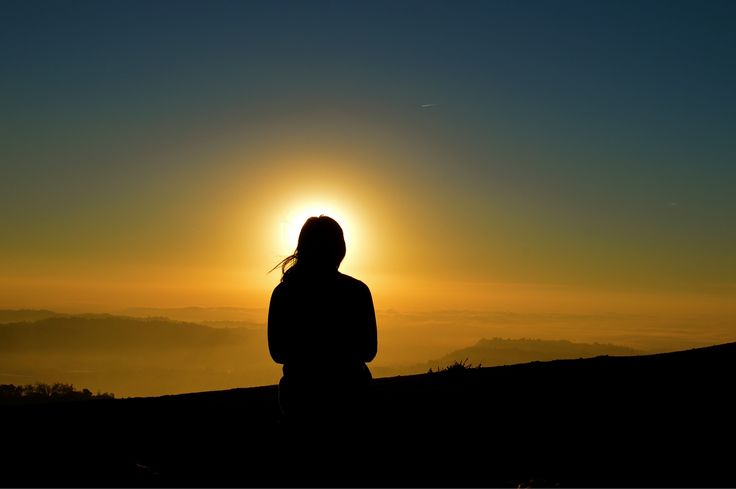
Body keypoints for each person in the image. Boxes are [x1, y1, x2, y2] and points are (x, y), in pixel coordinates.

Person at [268, 215, 378, 423]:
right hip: (352, 395)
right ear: (340, 249)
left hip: (299, 398)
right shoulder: (357, 291)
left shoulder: (283, 293)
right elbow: (369, 351)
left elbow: (278, 353)